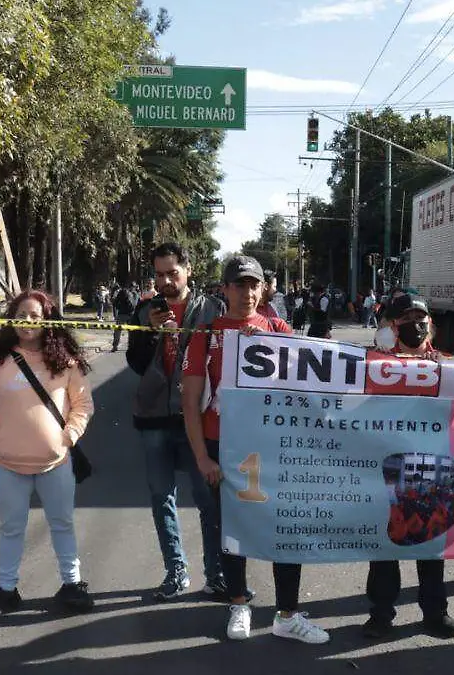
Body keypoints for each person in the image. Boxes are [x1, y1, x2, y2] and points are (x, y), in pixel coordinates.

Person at [182, 256, 329, 644]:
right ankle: (239, 603)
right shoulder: (206, 333)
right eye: (238, 285)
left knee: (287, 528)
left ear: (264, 289)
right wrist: (202, 456)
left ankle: (287, 614)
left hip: (273, 448)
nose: (246, 293)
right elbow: (191, 400)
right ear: (224, 289)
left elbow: (308, 386)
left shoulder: (278, 329)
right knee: (233, 531)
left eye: (253, 285)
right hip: (223, 447)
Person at [0, 290, 95, 619]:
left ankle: (72, 584)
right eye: (22, 315)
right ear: (12, 318)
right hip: (6, 464)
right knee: (11, 528)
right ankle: (6, 590)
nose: (28, 322)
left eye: (36, 316)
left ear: (48, 321)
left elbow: (82, 404)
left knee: (62, 524)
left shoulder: (64, 361)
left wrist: (69, 435)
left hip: (56, 463)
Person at [125, 243, 229, 602]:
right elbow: (136, 364)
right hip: (154, 417)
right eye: (159, 274)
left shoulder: (212, 310)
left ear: (188, 270)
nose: (166, 280)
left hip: (197, 420)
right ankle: (176, 570)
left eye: (173, 272)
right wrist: (151, 332)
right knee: (161, 497)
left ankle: (216, 574)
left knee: (208, 499)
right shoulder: (144, 311)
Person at [363, 294, 454, 640]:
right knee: (384, 546)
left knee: (430, 543)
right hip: (385, 466)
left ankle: (435, 612)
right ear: (392, 325)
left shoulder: (448, 365)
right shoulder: (374, 364)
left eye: (423, 318)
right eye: (408, 317)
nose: (417, 324)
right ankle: (380, 614)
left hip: (430, 466)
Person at [111, 282, 138, 352]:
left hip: (121, 314)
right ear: (134, 287)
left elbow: (115, 302)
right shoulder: (135, 294)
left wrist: (119, 308)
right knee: (131, 331)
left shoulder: (122, 292)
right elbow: (137, 305)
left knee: (117, 330)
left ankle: (115, 346)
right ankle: (131, 346)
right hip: (131, 314)